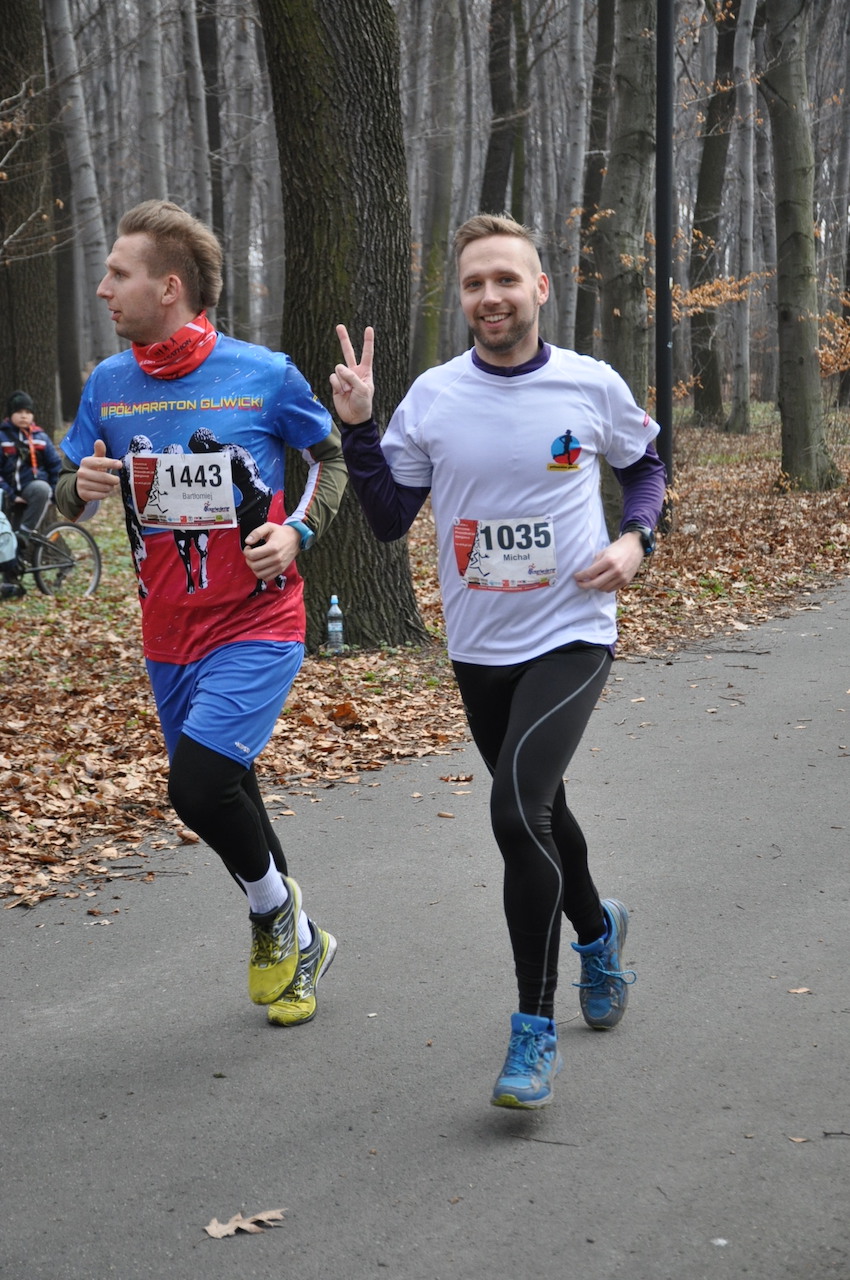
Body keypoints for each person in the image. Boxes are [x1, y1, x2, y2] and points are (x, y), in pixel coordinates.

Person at [331, 213, 666, 1108]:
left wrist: (636, 539)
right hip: (479, 647)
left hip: (573, 631)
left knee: (517, 813)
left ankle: (532, 1031)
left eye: (507, 280)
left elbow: (645, 467)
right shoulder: (435, 398)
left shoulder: (589, 384)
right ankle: (598, 931)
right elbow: (388, 518)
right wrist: (360, 426)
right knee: (542, 809)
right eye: (475, 283)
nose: (491, 297)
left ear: (540, 288)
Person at [55, 200, 348, 1027]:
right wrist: (80, 487)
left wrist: (295, 534)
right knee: (232, 790)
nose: (104, 289)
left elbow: (329, 460)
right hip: (168, 633)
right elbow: (68, 497)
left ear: (169, 287)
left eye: (118, 274)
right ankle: (303, 944)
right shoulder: (109, 385)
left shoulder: (265, 374)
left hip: (259, 622)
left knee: (199, 785)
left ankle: (271, 912)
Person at [0, 391, 62, 553]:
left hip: (33, 490)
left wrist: (53, 493)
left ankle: (25, 533)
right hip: (7, 493)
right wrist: (11, 496)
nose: (24, 416)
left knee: (41, 488)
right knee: (7, 540)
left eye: (28, 412)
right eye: (19, 411)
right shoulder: (2, 437)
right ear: (10, 414)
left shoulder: (41, 437)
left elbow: (55, 466)